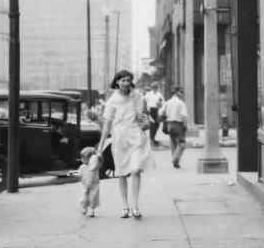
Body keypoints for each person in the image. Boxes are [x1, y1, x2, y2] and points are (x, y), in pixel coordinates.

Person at [96, 69, 154, 219]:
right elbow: (107, 124)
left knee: (135, 170)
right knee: (121, 173)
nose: (126, 83)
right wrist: (101, 146)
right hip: (119, 138)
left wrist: (144, 118)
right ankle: (124, 206)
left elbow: (142, 115)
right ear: (117, 82)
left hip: (135, 136)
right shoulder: (112, 101)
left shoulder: (137, 96)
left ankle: (135, 206)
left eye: (128, 80)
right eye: (123, 80)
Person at [161, 86, 188, 168]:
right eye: (181, 92)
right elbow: (184, 116)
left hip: (169, 124)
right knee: (182, 144)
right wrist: (185, 126)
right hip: (178, 124)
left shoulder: (167, 102)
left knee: (173, 143)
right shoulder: (181, 103)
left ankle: (175, 161)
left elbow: (161, 113)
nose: (182, 94)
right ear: (177, 93)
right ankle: (175, 159)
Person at [78, 146, 101, 217]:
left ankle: (92, 210)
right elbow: (80, 174)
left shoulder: (95, 167)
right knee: (84, 197)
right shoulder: (82, 167)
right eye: (82, 158)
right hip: (85, 185)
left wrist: (98, 157)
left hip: (94, 185)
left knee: (93, 198)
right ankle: (84, 208)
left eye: (84, 158)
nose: (82, 160)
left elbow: (99, 162)